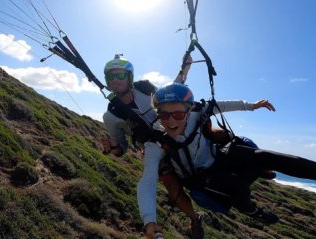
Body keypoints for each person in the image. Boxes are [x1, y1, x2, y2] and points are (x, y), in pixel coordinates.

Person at [138, 83, 316, 238]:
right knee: (236, 187)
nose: (171, 121)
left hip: (220, 160)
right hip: (201, 179)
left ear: (189, 109)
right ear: (158, 113)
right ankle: (250, 210)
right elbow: (148, 181)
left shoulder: (197, 112)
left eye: (178, 114)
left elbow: (220, 105)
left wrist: (251, 105)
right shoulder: (156, 142)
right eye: (164, 115)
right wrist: (150, 219)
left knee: (264, 155)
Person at [101, 55, 276, 238]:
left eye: (120, 75)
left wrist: (186, 68)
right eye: (110, 77)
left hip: (176, 124)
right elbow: (121, 146)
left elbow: (170, 93)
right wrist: (111, 149)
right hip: (156, 146)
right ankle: (194, 218)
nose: (115, 80)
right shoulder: (111, 115)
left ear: (129, 76)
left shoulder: (145, 88)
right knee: (171, 184)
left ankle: (258, 165)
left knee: (218, 132)